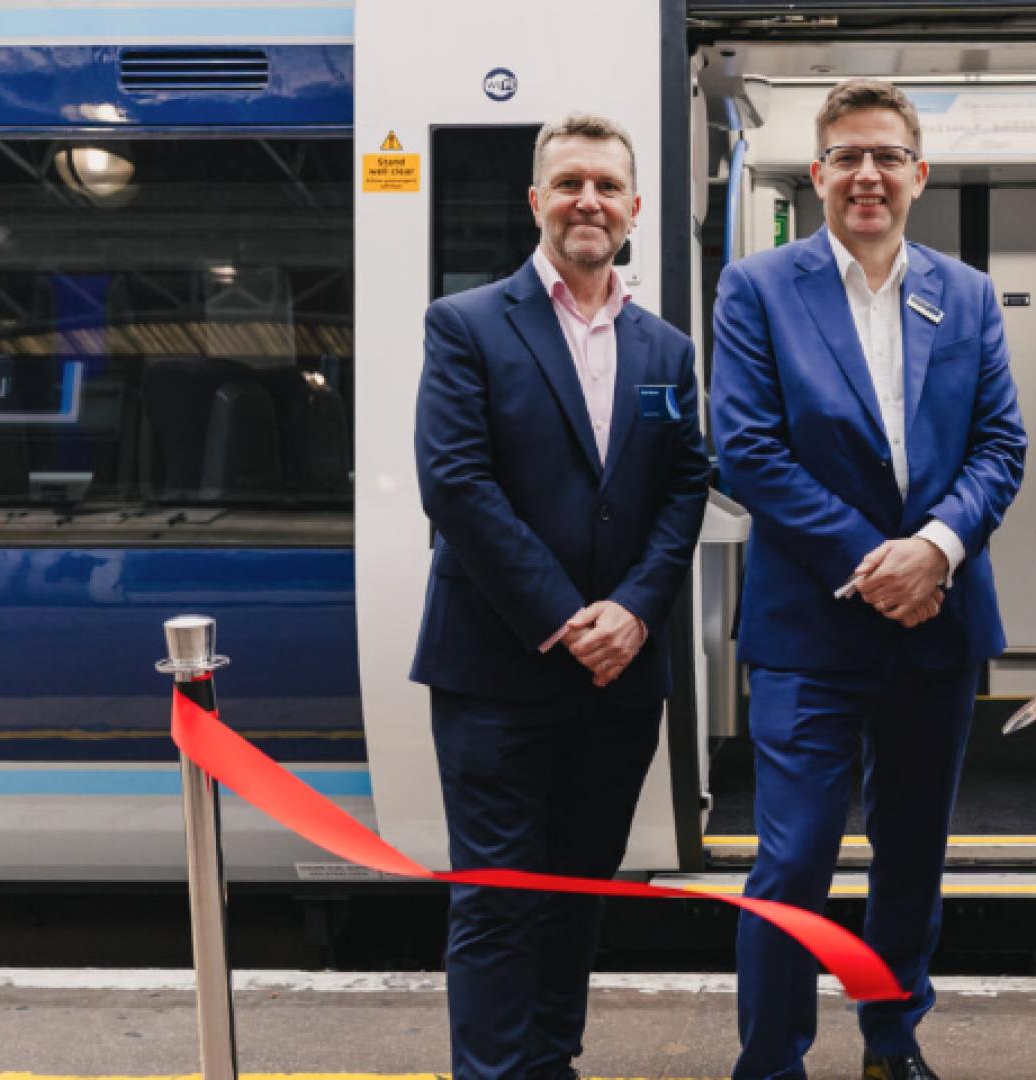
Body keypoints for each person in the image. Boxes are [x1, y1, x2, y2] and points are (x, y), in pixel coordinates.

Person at [709, 77, 1026, 1080]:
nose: (866, 173)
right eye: (846, 154)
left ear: (918, 175)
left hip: (934, 625)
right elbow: (747, 451)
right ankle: (769, 1061)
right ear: (816, 175)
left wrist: (933, 548)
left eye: (886, 155)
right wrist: (875, 561)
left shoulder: (965, 293)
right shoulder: (757, 288)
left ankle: (890, 1043)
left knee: (910, 861)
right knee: (792, 860)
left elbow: (1001, 444)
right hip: (809, 629)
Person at [409, 112, 709, 1080]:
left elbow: (682, 485)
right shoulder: (465, 325)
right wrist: (564, 619)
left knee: (579, 888)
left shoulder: (665, 350)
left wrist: (633, 609)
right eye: (569, 182)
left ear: (631, 208)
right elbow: (455, 484)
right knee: (498, 897)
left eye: (607, 185)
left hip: (620, 672)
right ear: (536, 201)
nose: (589, 200)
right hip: (497, 666)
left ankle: (548, 1062)